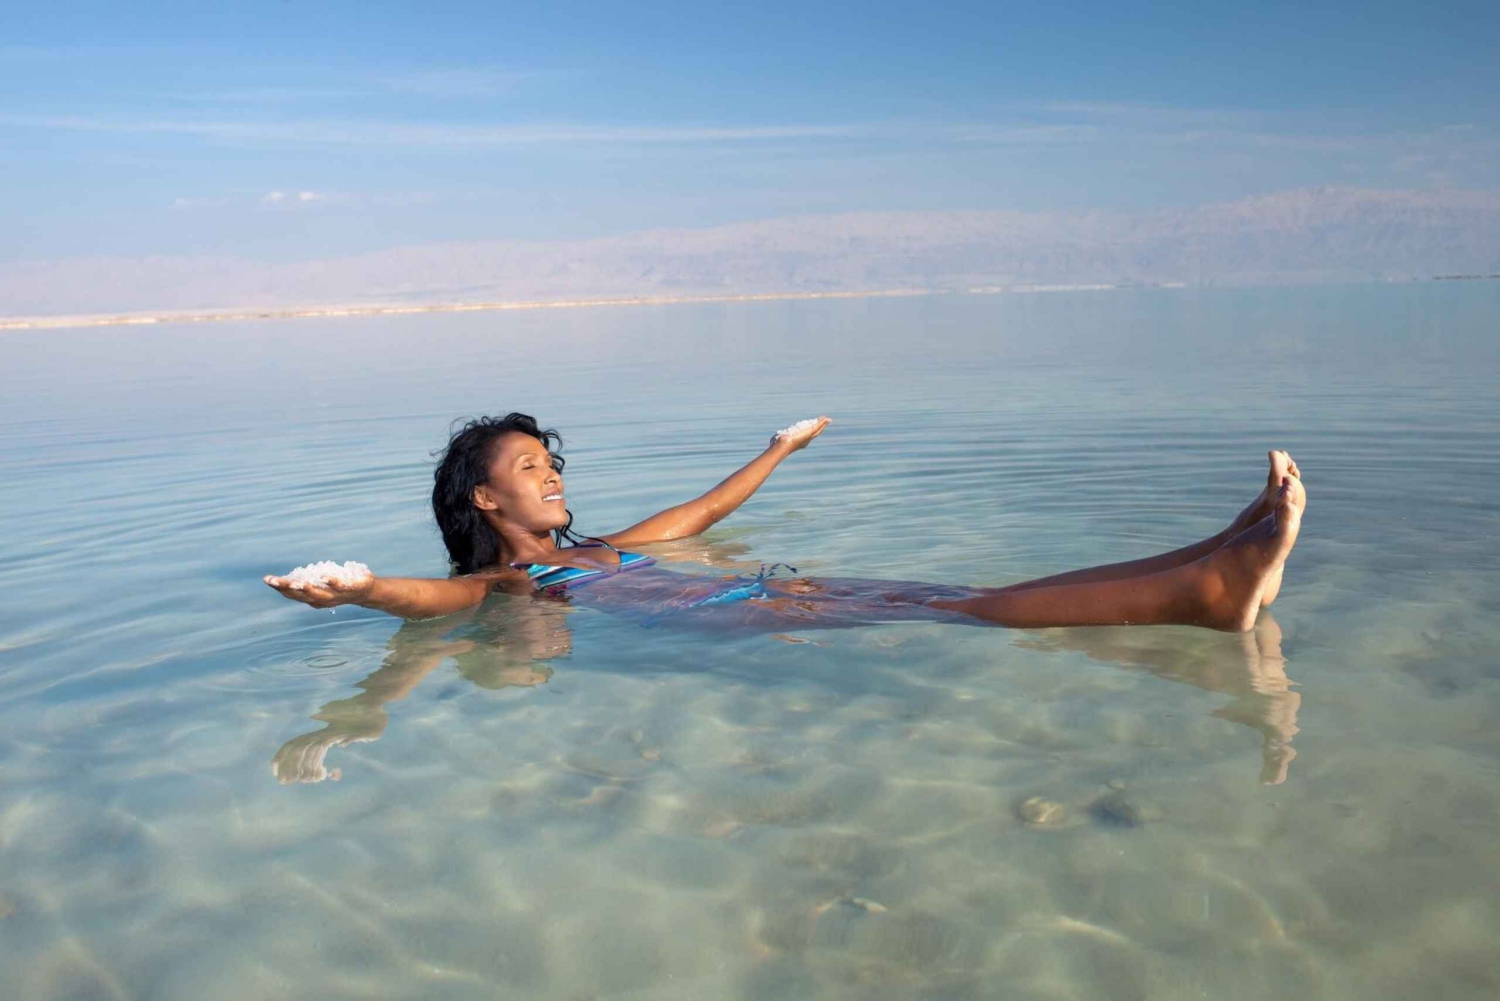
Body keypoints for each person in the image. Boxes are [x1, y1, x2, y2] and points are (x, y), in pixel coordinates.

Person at [264, 413, 1305, 633]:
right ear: (486, 499)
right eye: (528, 467)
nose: (549, 475)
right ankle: (1206, 591)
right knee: (964, 606)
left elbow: (706, 508)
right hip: (733, 612)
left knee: (948, 598)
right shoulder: (514, 582)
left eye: (550, 462)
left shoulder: (599, 548)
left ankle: (1217, 552)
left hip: (759, 584)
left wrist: (778, 447)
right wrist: (358, 588)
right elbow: (433, 594)